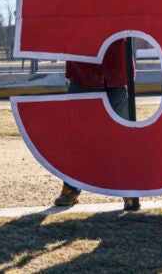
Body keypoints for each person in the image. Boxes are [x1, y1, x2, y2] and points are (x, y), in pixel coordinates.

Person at [52, 39, 141, 211]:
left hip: (115, 73)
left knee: (124, 138)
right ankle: (71, 188)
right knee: (76, 137)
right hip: (83, 72)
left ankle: (129, 189)